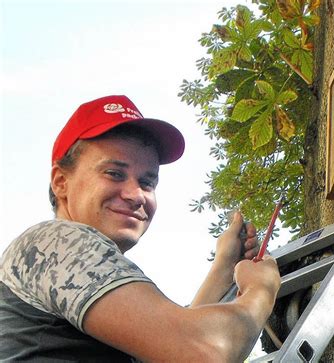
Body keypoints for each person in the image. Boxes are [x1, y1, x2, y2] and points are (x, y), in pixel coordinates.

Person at [0, 95, 281, 362]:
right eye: (114, 173)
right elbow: (204, 350)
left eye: (147, 182)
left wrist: (224, 267)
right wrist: (261, 289)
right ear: (61, 182)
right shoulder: (58, 242)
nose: (136, 195)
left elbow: (171, 350)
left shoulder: (61, 274)